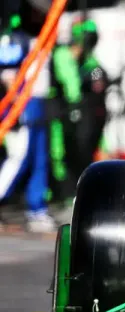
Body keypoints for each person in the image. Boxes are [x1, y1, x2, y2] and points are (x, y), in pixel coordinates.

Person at [49, 18, 109, 223]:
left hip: (85, 118)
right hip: (61, 115)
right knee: (60, 156)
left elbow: (96, 85)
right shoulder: (62, 55)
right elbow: (71, 88)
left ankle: (78, 198)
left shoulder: (92, 63)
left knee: (84, 155)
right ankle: (65, 197)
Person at [0, 22, 55, 232]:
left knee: (40, 159)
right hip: (22, 104)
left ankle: (37, 209)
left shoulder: (46, 36)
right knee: (18, 157)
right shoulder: (15, 38)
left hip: (40, 103)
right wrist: (14, 104)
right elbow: (7, 73)